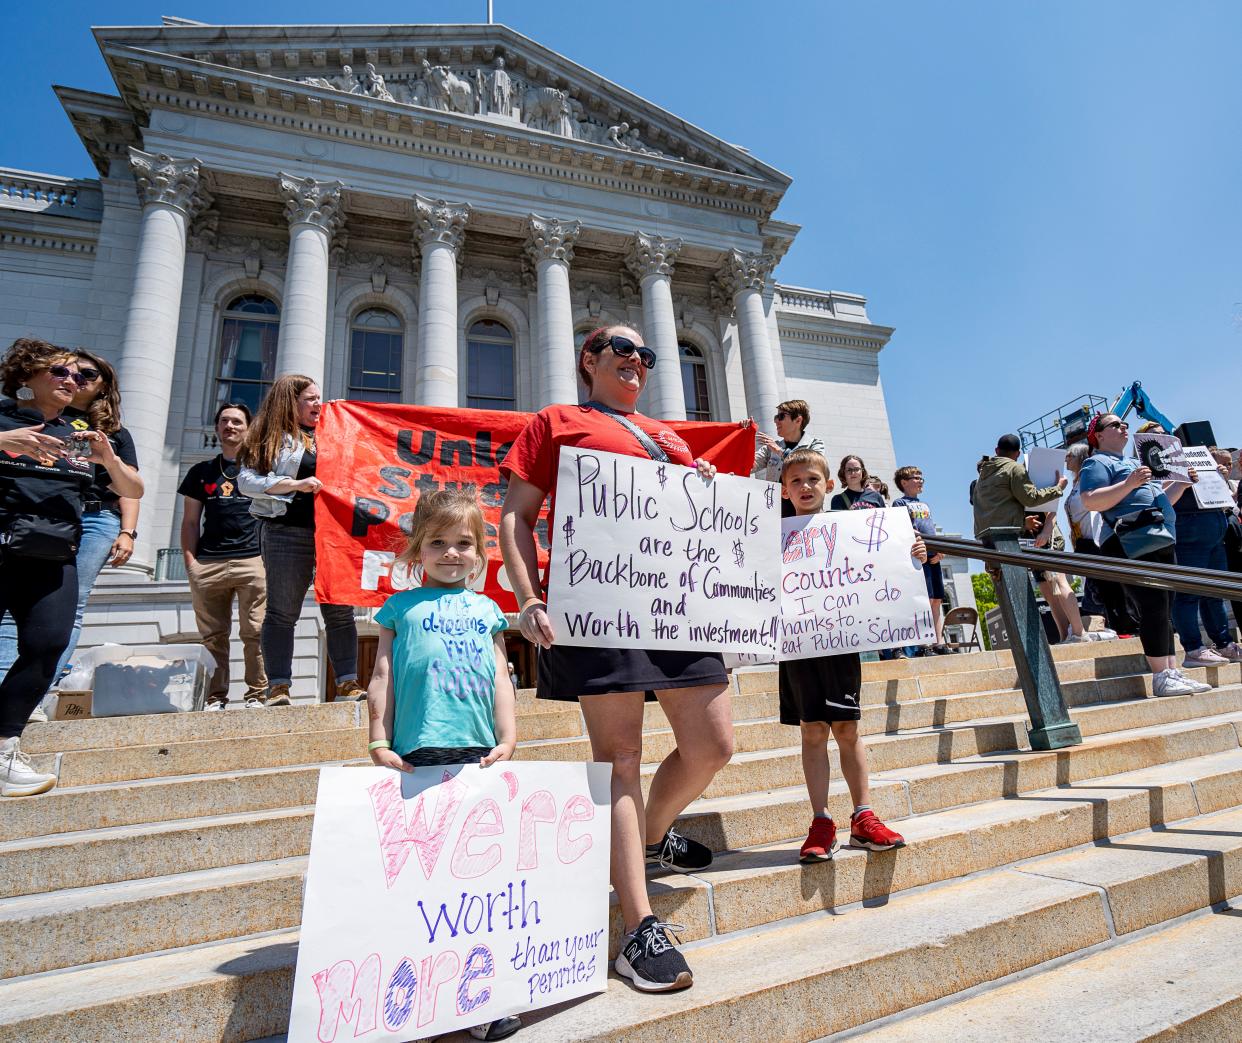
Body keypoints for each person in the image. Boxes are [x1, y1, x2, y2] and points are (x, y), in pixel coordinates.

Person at [500, 325, 734, 993]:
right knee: (621, 757)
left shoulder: (669, 437)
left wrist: (707, 487)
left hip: (676, 604)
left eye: (647, 355)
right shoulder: (556, 421)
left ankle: (652, 835)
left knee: (713, 743)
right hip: (597, 600)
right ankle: (639, 926)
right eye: (622, 350)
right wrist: (527, 595)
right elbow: (515, 514)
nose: (638, 360)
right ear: (590, 360)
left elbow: (700, 527)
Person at [366, 488, 520, 1042]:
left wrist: (509, 734)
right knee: (420, 887)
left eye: (463, 544)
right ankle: (417, 999)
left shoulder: (487, 611)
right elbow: (381, 675)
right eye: (438, 543)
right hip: (416, 756)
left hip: (477, 754)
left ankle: (476, 998)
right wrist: (377, 739)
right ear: (416, 552)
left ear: (480, 552)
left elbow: (503, 677)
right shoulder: (399, 608)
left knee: (473, 887)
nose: (451, 553)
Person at [0, 340, 141, 796]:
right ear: (27, 377)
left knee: (47, 645)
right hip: (3, 543)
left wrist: (109, 459)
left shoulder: (80, 430)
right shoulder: (3, 416)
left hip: (53, 552)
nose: (71, 381)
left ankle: (5, 747)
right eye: (59, 372)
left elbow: (133, 488)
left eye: (79, 377)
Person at [780, 449, 918, 860]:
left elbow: (889, 565)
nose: (805, 487)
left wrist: (914, 555)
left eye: (813, 480)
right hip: (798, 643)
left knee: (846, 729)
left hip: (841, 642)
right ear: (785, 490)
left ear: (831, 485)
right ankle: (822, 820)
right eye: (796, 481)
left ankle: (863, 816)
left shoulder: (855, 528)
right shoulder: (771, 533)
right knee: (812, 730)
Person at [238, 376, 363, 706]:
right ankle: (278, 686)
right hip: (285, 531)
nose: (317, 405)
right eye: (310, 399)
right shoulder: (270, 436)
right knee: (282, 612)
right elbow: (246, 481)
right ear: (289, 402)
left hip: (332, 535)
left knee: (340, 611)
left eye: (319, 398)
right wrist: (293, 485)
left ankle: (348, 683)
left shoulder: (330, 434)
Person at [1078, 413, 1210, 697]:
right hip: (1129, 541)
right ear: (1098, 435)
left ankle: (1171, 671)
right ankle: (1161, 676)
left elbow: (1159, 498)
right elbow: (1089, 500)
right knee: (1152, 607)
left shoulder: (1135, 463)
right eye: (1115, 425)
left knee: (1164, 608)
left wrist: (1182, 483)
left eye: (1124, 424)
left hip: (1157, 536)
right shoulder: (1096, 462)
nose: (1123, 427)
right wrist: (1129, 484)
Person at [179, 403, 268, 710]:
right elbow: (190, 522)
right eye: (224, 421)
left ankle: (257, 694)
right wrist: (191, 563)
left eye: (237, 421)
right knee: (213, 636)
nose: (230, 426)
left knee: (255, 631)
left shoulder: (261, 470)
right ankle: (215, 697)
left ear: (248, 428)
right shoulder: (201, 472)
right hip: (209, 563)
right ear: (217, 428)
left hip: (252, 560)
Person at [973, 434, 1095, 642]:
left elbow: (1048, 510)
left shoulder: (986, 476)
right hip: (1028, 539)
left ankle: (1078, 632)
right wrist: (1058, 488)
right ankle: (1068, 633)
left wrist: (1045, 528)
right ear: (1018, 454)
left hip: (1037, 537)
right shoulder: (1015, 470)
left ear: (996, 451)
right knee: (1048, 589)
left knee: (1056, 582)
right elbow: (1030, 498)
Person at [1169, 440, 1242, 668]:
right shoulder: (1162, 465)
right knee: (1189, 594)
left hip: (1214, 532)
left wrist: (1219, 476)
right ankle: (1193, 648)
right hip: (1190, 532)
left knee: (1215, 592)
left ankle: (1224, 643)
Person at [1063, 441, 1132, 638]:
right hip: (1081, 541)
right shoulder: (1074, 484)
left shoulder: (1089, 479)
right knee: (1095, 586)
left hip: (1095, 539)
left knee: (1104, 585)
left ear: (1081, 458)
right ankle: (1109, 626)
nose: (1066, 459)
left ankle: (1122, 627)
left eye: (1070, 455)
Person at [891, 466, 948, 654]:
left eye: (921, 477)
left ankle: (939, 642)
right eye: (916, 477)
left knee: (937, 600)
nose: (920, 480)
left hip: (933, 555)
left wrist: (939, 550)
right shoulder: (900, 503)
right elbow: (904, 528)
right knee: (924, 599)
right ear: (904, 482)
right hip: (918, 555)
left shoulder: (925, 505)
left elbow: (931, 528)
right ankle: (924, 644)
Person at [752, 398, 826, 493]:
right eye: (776, 417)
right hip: (775, 506)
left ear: (798, 420)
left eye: (781, 416)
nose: (776, 421)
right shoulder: (770, 448)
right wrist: (743, 433)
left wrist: (780, 451)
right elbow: (748, 465)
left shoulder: (815, 445)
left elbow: (812, 465)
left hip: (805, 504)